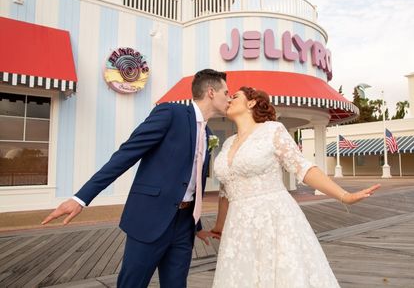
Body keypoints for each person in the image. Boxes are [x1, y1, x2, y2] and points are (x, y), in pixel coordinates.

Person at [42, 69, 229, 288]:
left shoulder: (208, 134)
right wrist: (81, 198)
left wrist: (196, 226)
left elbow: (192, 182)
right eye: (226, 92)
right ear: (211, 92)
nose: (229, 97)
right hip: (150, 219)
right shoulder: (171, 113)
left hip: (184, 225)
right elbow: (126, 155)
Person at [209, 87, 380, 288]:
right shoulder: (228, 143)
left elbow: (303, 168)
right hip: (237, 227)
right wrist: (219, 227)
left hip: (273, 220)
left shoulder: (272, 130)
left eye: (235, 96)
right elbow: (225, 190)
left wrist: (344, 196)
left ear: (251, 103)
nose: (229, 99)